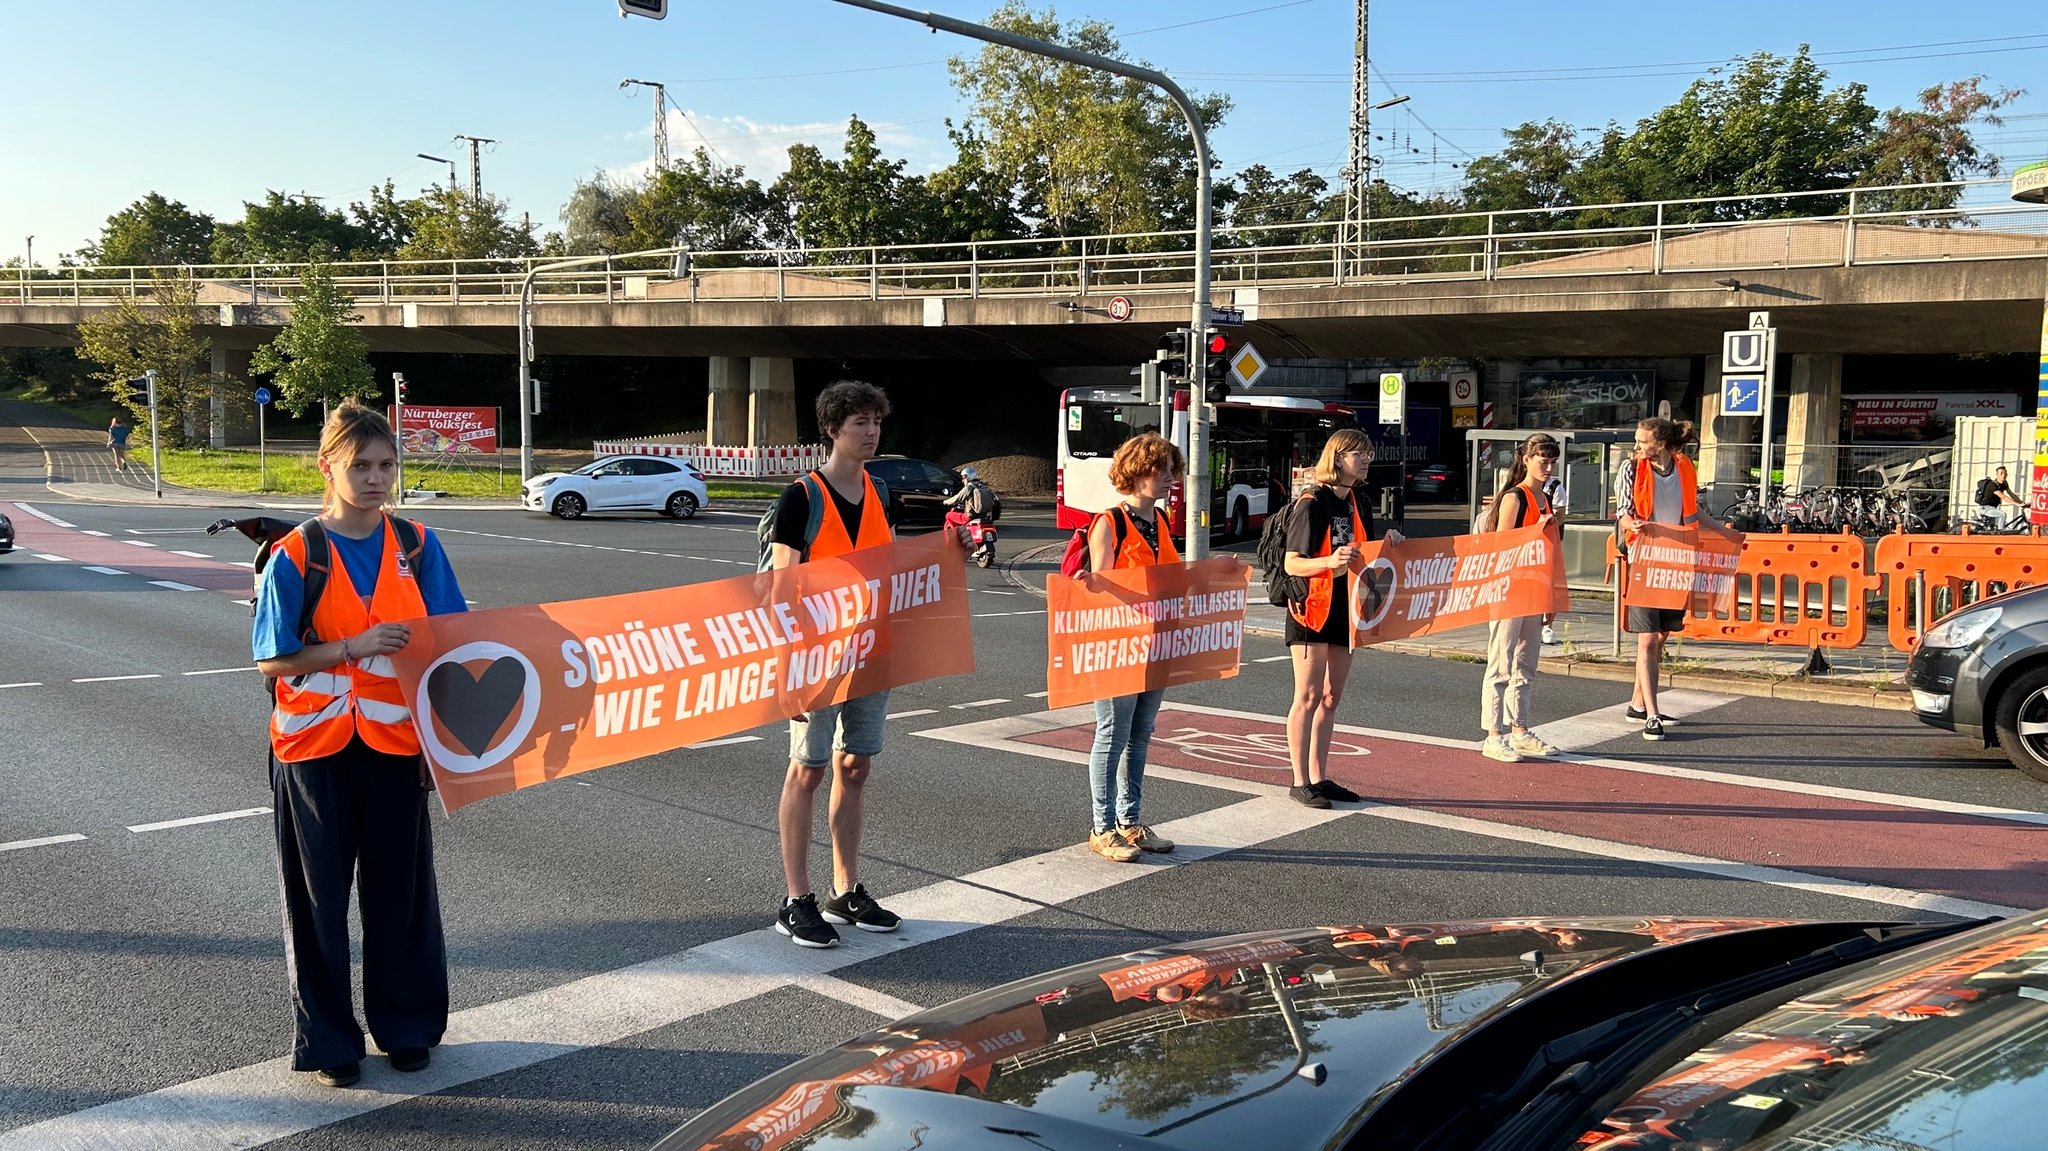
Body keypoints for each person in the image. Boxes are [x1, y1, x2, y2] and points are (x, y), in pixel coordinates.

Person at [252, 403, 468, 1089]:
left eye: (385, 465)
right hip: (313, 751)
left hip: (395, 745)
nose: (376, 478)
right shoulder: (294, 553)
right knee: (317, 899)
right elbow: (271, 659)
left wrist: (445, 747)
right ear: (328, 466)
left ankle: (405, 1027)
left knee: (399, 894)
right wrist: (353, 647)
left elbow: (452, 643)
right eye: (361, 465)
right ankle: (329, 1041)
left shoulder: (417, 545)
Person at [766, 379, 905, 949]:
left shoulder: (881, 492)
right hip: (814, 659)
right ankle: (795, 899)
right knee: (809, 769)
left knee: (855, 767)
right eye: (860, 424)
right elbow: (781, 591)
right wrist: (790, 673)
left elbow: (895, 568)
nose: (871, 433)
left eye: (876, 422)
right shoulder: (801, 496)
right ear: (832, 430)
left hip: (868, 653)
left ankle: (845, 889)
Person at [1281, 428, 1404, 807]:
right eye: (1358, 454)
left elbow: (1362, 553)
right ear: (1337, 458)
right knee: (1308, 695)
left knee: (1332, 697)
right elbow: (1292, 562)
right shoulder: (1311, 503)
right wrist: (1329, 562)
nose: (1366, 460)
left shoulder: (1358, 501)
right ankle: (1300, 780)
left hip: (1347, 608)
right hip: (1312, 609)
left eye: (1368, 454)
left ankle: (1320, 776)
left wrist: (1389, 542)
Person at [1082, 432, 1184, 863]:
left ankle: (1130, 822)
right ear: (1137, 472)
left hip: (1154, 643)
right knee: (1113, 734)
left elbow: (1176, 575)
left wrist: (1221, 572)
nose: (1169, 479)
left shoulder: (1160, 522)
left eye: (1171, 470)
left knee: (1140, 735)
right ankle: (1102, 827)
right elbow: (1099, 585)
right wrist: (1146, 598)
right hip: (1117, 644)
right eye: (1161, 471)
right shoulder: (1110, 522)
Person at [1615, 416, 1717, 741]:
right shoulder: (1631, 469)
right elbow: (1624, 511)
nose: (1636, 446)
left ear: (1659, 443)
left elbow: (1692, 510)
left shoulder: (1684, 467)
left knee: (1660, 635)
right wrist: (1630, 524)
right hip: (1645, 559)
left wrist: (1724, 530)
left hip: (1677, 560)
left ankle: (1637, 703)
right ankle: (1653, 716)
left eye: (1641, 441)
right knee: (1646, 639)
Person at [1479, 433, 1563, 762]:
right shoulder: (1516, 497)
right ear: (1526, 459)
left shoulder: (1543, 497)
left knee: (1525, 665)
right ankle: (1493, 735)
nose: (1549, 466)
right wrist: (1537, 529)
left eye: (1553, 460)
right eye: (1543, 460)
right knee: (1501, 664)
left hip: (1531, 589)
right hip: (1508, 590)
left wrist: (1549, 596)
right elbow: (1501, 547)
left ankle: (1520, 729)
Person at [1540, 472, 1563, 645]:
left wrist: (1550, 522)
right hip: (1526, 545)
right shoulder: (1519, 485)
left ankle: (1547, 627)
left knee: (1548, 585)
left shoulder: (1554, 486)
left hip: (1548, 542)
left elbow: (1560, 514)